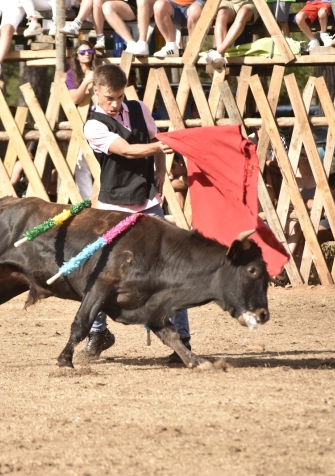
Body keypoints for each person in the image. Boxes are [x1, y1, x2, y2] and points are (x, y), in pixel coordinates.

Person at [82, 64, 191, 363]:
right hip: (113, 209)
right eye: (109, 98)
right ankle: (98, 332)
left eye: (119, 96)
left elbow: (157, 146)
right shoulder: (94, 125)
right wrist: (159, 148)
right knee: (101, 275)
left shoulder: (139, 108)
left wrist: (160, 170)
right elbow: (129, 150)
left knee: (169, 271)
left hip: (148, 203)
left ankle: (182, 341)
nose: (115, 104)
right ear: (95, 92)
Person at [66, 40, 99, 199]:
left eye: (89, 52)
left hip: (101, 121)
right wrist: (86, 81)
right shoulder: (72, 74)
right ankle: (87, 201)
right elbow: (74, 99)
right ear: (76, 56)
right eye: (82, 52)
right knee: (82, 164)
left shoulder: (100, 70)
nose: (86, 54)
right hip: (82, 123)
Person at [204, 0, 259, 72]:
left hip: (249, 2)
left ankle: (218, 53)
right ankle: (219, 56)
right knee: (221, 12)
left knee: (243, 12)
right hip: (228, 2)